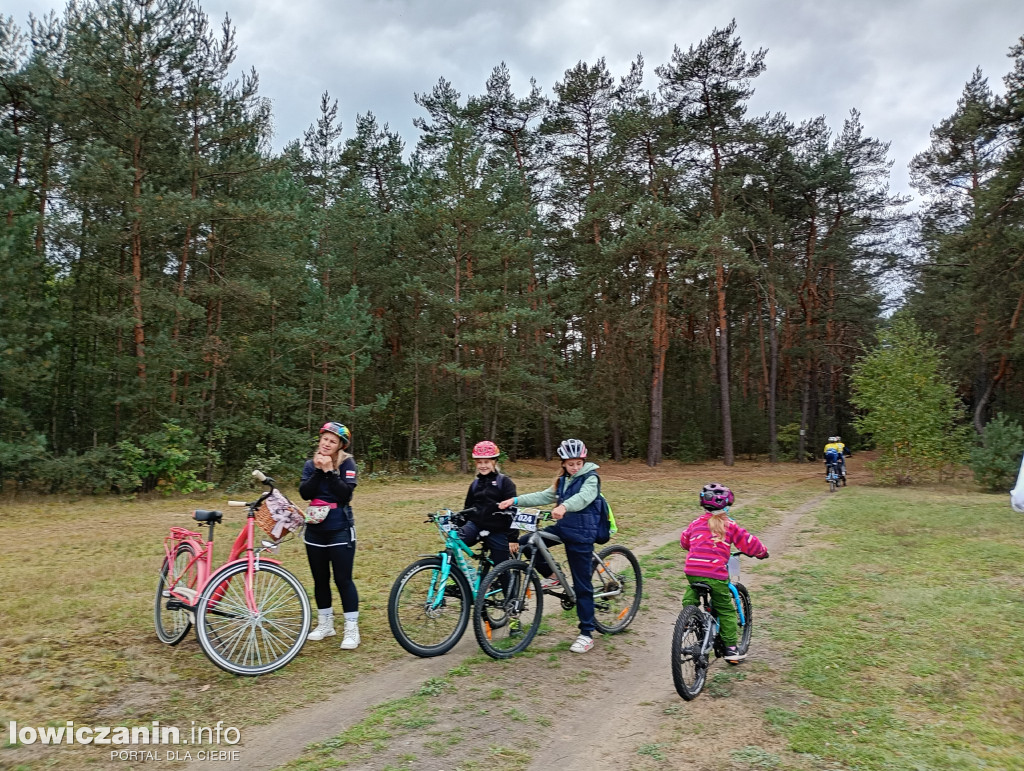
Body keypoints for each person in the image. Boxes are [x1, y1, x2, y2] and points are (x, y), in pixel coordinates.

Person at [498, 438, 601, 654]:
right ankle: (553, 576)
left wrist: (564, 506)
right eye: (570, 463)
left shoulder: (591, 478)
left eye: (578, 463)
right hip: (563, 528)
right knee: (527, 542)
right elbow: (544, 496)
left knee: (582, 585)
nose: (575, 467)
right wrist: (514, 501)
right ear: (563, 463)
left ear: (583, 461)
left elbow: (584, 498)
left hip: (582, 534)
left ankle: (587, 633)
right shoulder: (562, 481)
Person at [680, 483, 768, 664]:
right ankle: (731, 649)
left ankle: (688, 618)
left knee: (693, 590)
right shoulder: (729, 525)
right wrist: (761, 552)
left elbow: (684, 541)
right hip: (715, 574)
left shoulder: (695, 523)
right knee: (726, 610)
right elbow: (748, 542)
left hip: (692, 570)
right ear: (727, 505)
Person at [299, 422, 361, 650]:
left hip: (340, 528)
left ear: (339, 446)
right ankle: (326, 623)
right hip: (315, 529)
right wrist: (317, 469)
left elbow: (345, 494)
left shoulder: (347, 464)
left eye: (332, 441)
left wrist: (329, 471)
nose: (327, 444)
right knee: (320, 579)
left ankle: (352, 628)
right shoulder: (309, 464)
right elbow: (305, 492)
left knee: (342, 579)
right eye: (325, 439)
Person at [457, 441, 518, 570]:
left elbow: (513, 510)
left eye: (486, 462)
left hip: (498, 529)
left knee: (501, 569)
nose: (483, 466)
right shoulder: (475, 484)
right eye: (479, 462)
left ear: (494, 462)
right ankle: (456, 577)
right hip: (476, 525)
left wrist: (513, 538)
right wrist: (458, 525)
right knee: (454, 544)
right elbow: (467, 510)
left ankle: (508, 589)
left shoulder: (505, 482)